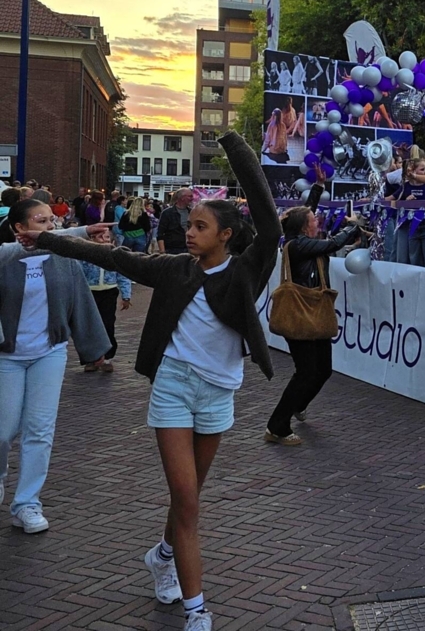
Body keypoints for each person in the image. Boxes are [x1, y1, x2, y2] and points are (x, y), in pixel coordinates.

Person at [29, 132, 280, 631]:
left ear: (226, 235)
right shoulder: (173, 269)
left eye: (201, 226)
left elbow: (269, 218)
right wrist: (47, 238)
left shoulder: (249, 269)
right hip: (173, 387)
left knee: (189, 499)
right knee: (186, 500)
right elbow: (115, 259)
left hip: (219, 391)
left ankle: (163, 555)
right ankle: (197, 610)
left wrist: (233, 145)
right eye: (190, 223)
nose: (190, 232)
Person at [1, 200, 111, 534]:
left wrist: (93, 348)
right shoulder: (5, 255)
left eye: (53, 221)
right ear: (18, 228)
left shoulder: (62, 256)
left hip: (49, 352)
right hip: (6, 355)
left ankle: (27, 503)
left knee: (40, 429)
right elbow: (12, 251)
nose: (51, 227)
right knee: (3, 430)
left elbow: (79, 298)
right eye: (41, 221)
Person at [265, 171, 364, 446]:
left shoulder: (301, 237)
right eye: (313, 220)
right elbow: (333, 244)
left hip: (314, 312)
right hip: (301, 314)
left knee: (323, 370)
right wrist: (352, 226)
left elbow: (307, 210)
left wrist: (319, 187)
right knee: (306, 372)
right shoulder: (298, 245)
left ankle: (298, 404)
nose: (317, 220)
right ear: (303, 227)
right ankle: (276, 426)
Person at [79, 227, 132, 373]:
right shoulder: (86, 256)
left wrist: (126, 295)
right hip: (90, 292)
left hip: (109, 292)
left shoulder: (115, 256)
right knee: (89, 325)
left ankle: (108, 357)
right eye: (100, 237)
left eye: (107, 237)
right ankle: (91, 358)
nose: (104, 240)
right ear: (92, 239)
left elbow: (123, 275)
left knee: (108, 324)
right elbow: (78, 275)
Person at [393, 158, 425, 268]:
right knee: (414, 261)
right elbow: (394, 201)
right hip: (413, 228)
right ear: (414, 171)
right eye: (422, 169)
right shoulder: (405, 186)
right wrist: (406, 203)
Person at [158, 188, 195, 255]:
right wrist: (162, 252)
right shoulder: (167, 213)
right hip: (171, 250)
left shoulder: (192, 212)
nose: (192, 198)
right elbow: (160, 233)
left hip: (188, 248)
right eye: (190, 196)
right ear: (182, 198)